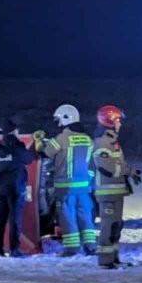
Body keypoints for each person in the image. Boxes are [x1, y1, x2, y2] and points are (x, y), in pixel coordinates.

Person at [34, 104, 97, 256]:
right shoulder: (88, 139)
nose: (58, 123)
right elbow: (92, 164)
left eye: (59, 120)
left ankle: (71, 248)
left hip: (65, 187)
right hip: (84, 187)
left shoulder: (62, 138)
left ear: (66, 118)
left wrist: (39, 141)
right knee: (85, 216)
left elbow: (45, 153)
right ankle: (90, 246)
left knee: (67, 217)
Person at [93, 105, 141, 269]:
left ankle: (113, 258)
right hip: (107, 193)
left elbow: (118, 164)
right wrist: (127, 171)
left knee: (116, 226)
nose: (120, 124)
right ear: (111, 121)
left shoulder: (112, 141)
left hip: (115, 193)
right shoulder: (102, 143)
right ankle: (105, 261)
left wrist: (132, 173)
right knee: (109, 226)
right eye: (118, 120)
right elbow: (108, 168)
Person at [0, 118, 34, 257]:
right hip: (14, 190)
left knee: (0, 219)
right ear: (13, 131)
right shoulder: (17, 146)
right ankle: (14, 249)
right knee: (14, 220)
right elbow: (29, 159)